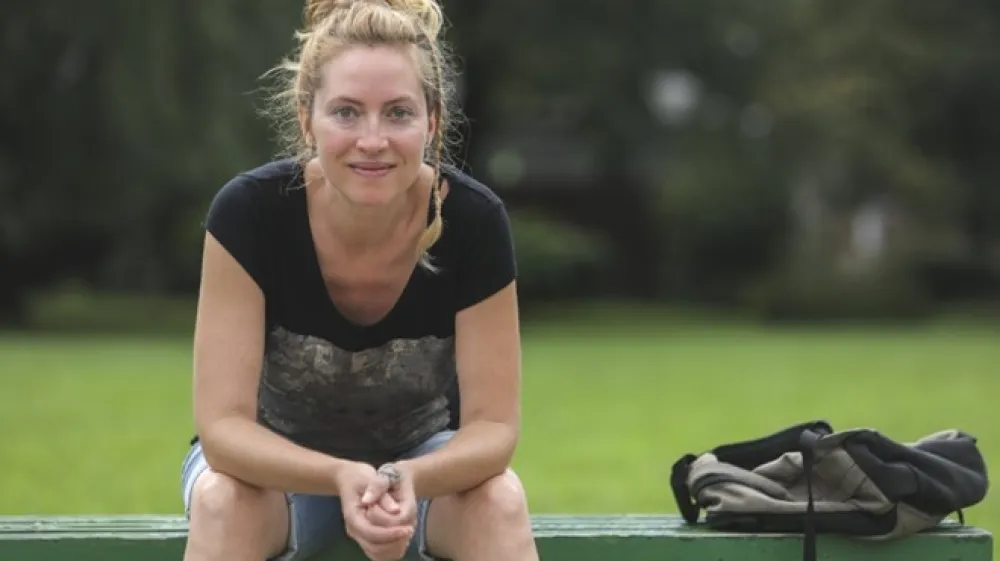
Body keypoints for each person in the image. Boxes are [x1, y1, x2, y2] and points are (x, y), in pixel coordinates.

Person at [178, 0, 538, 559]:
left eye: (398, 113)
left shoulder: (473, 220)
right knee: (221, 502)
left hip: (420, 467)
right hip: (272, 469)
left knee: (501, 501)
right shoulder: (248, 213)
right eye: (346, 112)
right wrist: (340, 475)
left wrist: (405, 477)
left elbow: (494, 428)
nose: (372, 140)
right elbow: (223, 428)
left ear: (431, 122)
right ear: (307, 120)